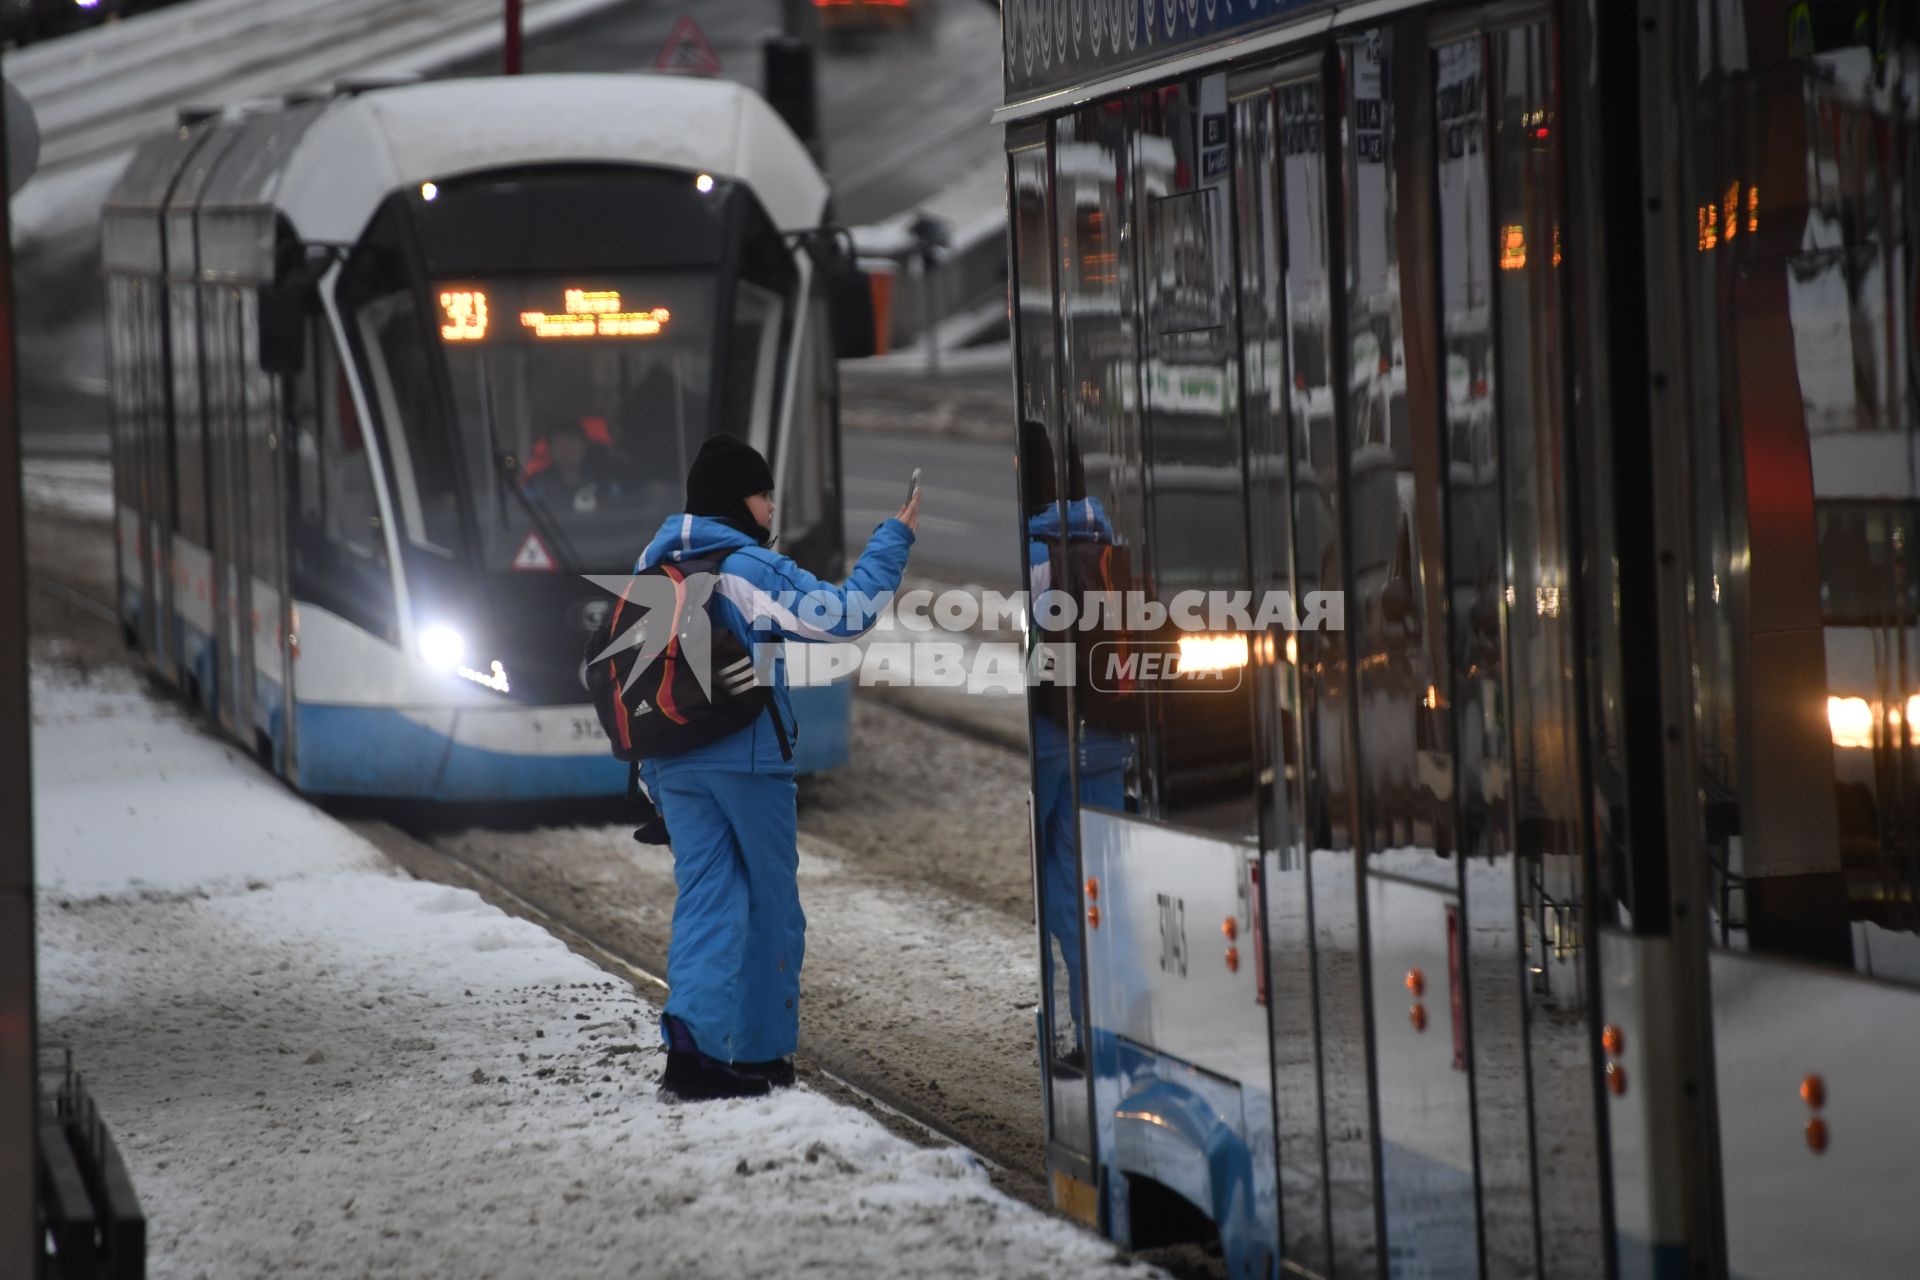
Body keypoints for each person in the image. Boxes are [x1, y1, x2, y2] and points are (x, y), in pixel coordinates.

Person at [637, 432, 918, 1101]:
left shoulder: (652, 562)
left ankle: (693, 1045)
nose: (771, 508)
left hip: (670, 761)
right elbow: (842, 617)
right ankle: (762, 1055)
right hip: (746, 758)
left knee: (707, 895)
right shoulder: (745, 565)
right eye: (764, 495)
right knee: (770, 905)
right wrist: (893, 540)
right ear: (740, 500)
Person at [529, 420, 623, 514]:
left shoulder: (604, 483)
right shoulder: (536, 484)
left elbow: (619, 512)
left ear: (583, 447)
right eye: (560, 443)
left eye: (573, 442)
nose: (567, 449)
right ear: (550, 450)